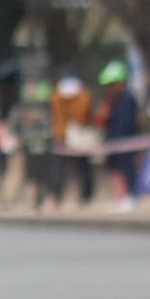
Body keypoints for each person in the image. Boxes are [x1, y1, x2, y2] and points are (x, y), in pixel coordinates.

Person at [95, 59, 139, 212]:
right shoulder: (111, 101)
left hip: (125, 142)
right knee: (115, 169)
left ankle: (130, 197)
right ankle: (119, 197)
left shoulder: (128, 99)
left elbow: (127, 123)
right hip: (112, 142)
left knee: (127, 168)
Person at [50, 68, 94, 207]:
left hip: (61, 135)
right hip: (78, 135)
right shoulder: (83, 94)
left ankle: (57, 195)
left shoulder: (57, 95)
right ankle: (85, 196)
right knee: (82, 167)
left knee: (59, 168)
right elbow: (84, 115)